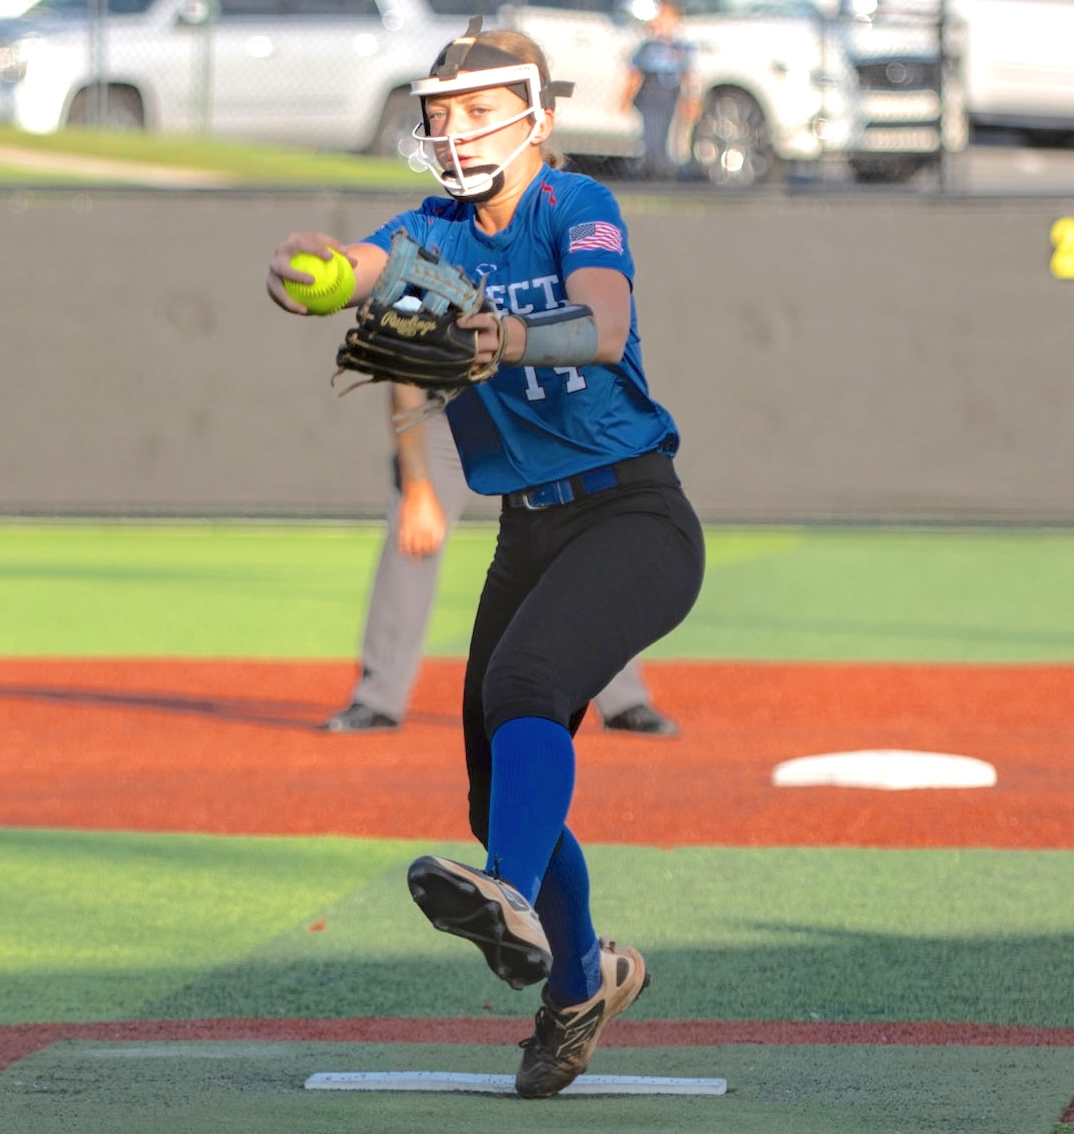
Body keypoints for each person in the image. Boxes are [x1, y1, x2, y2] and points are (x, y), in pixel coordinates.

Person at [266, 20, 704, 1099]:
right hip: (529, 528)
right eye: (442, 113)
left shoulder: (574, 204)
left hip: (633, 514)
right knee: (492, 788)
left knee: (526, 686)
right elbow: (370, 268)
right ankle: (581, 985)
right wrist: (325, 272)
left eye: (477, 110)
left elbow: (603, 325)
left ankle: (507, 892)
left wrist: (507, 338)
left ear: (536, 117)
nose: (454, 130)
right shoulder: (436, 235)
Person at [319, 401, 680, 737]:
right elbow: (406, 386)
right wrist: (417, 489)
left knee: (581, 542)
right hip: (449, 411)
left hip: (539, 414)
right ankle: (378, 698)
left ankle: (623, 698)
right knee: (412, 534)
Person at [619, 1, 697, 181]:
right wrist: (626, 98)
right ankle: (650, 167)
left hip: (670, 95)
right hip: (650, 94)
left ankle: (667, 169)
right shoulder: (647, 47)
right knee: (650, 133)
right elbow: (635, 74)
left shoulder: (680, 48)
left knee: (669, 135)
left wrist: (691, 98)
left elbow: (689, 74)